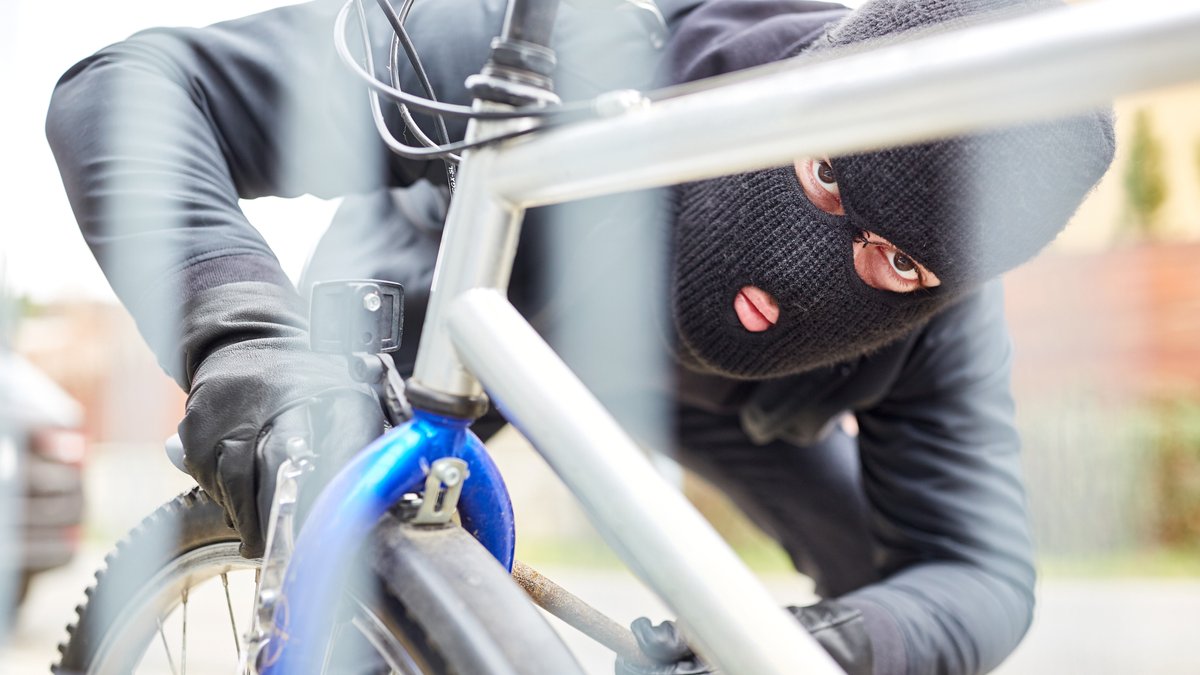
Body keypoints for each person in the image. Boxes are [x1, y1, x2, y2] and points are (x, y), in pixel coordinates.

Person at [46, 0, 1114, 673]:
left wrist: (825, 643)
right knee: (353, 536)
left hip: (719, 402)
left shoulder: (940, 317)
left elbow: (977, 571)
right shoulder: (596, 52)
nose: (814, 273)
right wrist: (240, 333)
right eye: (828, 176)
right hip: (467, 303)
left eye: (900, 262)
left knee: (878, 616)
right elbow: (133, 88)